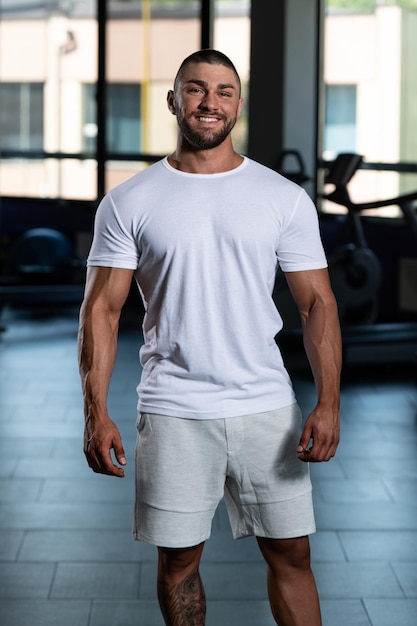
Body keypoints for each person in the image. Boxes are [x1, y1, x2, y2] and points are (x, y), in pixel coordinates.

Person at [78, 49, 341, 626]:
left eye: (223, 92)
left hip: (266, 405)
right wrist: (94, 410)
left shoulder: (281, 197)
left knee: (292, 553)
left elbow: (316, 302)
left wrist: (328, 402)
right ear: (174, 100)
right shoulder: (130, 201)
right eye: (195, 90)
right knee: (178, 561)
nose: (209, 103)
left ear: (237, 106)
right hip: (174, 407)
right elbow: (101, 308)